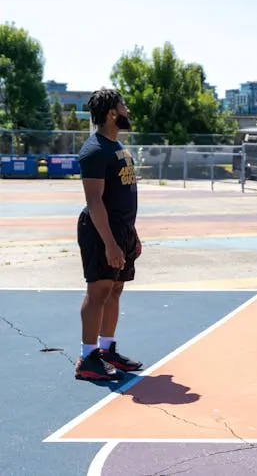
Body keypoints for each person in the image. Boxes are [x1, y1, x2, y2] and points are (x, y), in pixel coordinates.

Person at [74, 88, 144, 381]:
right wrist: (111, 244)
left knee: (115, 289)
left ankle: (107, 350)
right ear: (112, 113)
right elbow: (95, 202)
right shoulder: (94, 151)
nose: (127, 110)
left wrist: (132, 235)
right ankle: (87, 358)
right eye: (123, 106)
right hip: (101, 232)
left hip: (122, 231)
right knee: (99, 290)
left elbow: (123, 195)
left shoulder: (118, 148)